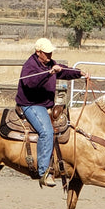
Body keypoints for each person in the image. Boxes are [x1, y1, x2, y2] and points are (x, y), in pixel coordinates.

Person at [15, 38, 88, 188]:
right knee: (46, 132)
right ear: (38, 52)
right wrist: (49, 73)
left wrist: (79, 73)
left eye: (50, 53)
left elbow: (63, 70)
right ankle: (44, 172)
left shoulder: (48, 63)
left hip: (45, 104)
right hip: (31, 104)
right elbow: (30, 83)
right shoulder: (30, 66)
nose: (49, 55)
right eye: (46, 53)